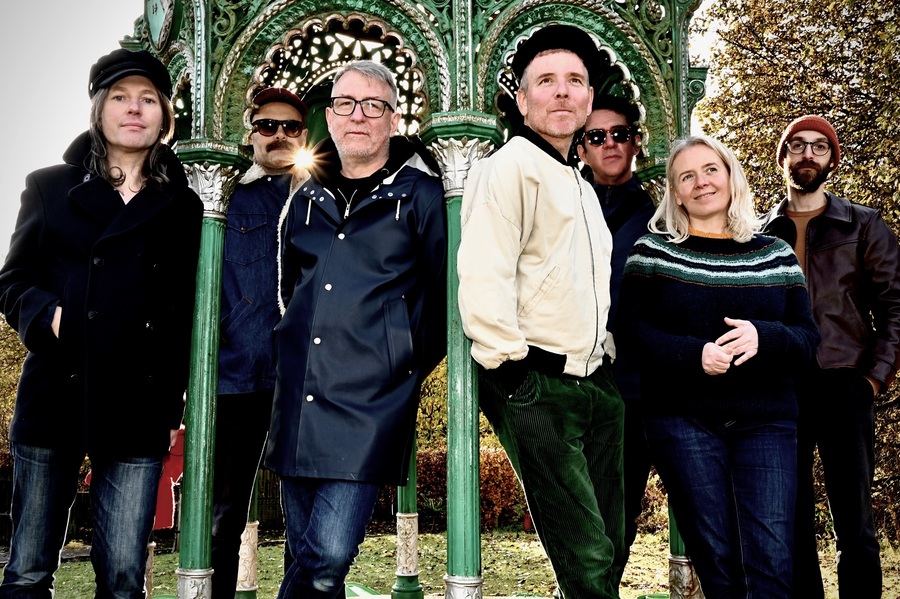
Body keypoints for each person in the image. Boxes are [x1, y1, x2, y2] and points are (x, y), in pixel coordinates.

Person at [0, 48, 202, 598]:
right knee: (27, 570)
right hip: (55, 395)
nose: (133, 109)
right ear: (98, 110)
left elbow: (184, 314)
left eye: (147, 99)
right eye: (119, 97)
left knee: (121, 575)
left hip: (138, 404)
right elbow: (14, 281)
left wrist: (170, 407)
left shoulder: (184, 206)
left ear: (164, 114)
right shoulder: (48, 187)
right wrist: (51, 317)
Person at [264, 60, 447, 599]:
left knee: (327, 558)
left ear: (393, 120)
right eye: (346, 104)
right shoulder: (304, 198)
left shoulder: (422, 198)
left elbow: (442, 301)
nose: (358, 116)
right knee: (305, 557)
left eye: (374, 105)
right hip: (299, 399)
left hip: (373, 405)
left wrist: (400, 362)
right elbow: (287, 292)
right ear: (330, 116)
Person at [457, 24, 626, 598]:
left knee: (610, 542)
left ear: (588, 99)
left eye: (575, 81)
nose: (562, 92)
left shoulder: (578, 183)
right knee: (586, 550)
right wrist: (510, 371)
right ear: (522, 99)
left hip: (594, 384)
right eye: (546, 81)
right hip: (535, 383)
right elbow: (485, 271)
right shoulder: (506, 168)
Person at [618, 135, 820, 598]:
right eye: (686, 176)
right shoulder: (651, 253)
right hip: (682, 421)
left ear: (731, 176)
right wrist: (694, 355)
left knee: (771, 560)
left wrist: (763, 337)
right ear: (674, 191)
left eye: (711, 169)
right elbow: (632, 333)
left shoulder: (774, 254)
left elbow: (808, 340)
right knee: (717, 558)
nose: (701, 182)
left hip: (766, 420)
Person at [764, 115, 900, 598]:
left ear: (831, 161)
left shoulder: (862, 224)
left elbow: (895, 306)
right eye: (797, 146)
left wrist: (873, 380)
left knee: (855, 525)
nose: (807, 155)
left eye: (819, 147)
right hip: (781, 392)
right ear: (782, 158)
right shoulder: (761, 234)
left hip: (845, 384)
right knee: (791, 522)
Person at [211, 87, 310, 598]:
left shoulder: (321, 195)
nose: (278, 135)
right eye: (267, 125)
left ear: (304, 136)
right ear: (250, 132)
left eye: (291, 127)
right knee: (223, 513)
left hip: (305, 381)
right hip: (236, 377)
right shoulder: (221, 196)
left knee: (305, 516)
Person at [576, 94, 656, 565]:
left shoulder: (659, 218)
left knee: (617, 518)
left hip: (631, 389)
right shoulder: (564, 204)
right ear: (581, 148)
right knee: (576, 517)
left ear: (635, 142)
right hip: (570, 380)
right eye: (596, 137)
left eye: (619, 134)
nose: (610, 144)